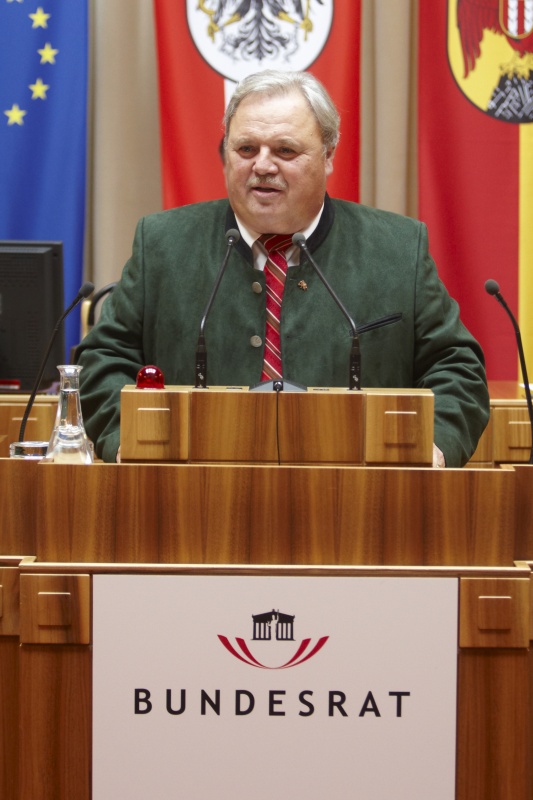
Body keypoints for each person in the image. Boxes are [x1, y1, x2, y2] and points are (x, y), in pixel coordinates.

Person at [77, 69, 490, 467]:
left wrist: (435, 446)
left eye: (285, 151)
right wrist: (127, 440)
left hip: (358, 497)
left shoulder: (397, 249)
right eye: (246, 149)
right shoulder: (163, 244)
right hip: (193, 493)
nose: (262, 166)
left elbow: (456, 367)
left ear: (328, 155)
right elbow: (103, 359)